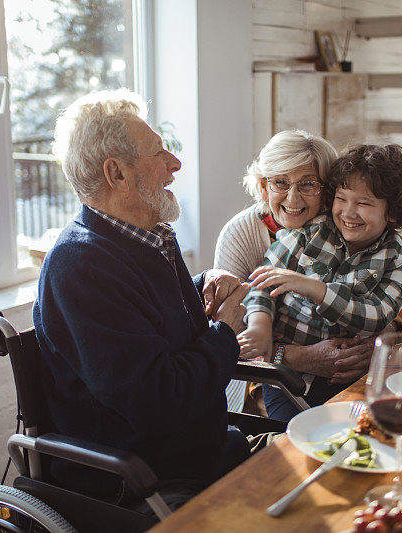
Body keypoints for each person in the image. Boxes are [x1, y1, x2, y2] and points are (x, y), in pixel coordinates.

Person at [33, 88, 262, 512]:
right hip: (146, 479)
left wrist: (202, 284)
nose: (174, 164)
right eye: (159, 153)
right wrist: (226, 331)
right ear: (116, 173)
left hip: (203, 450)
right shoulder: (80, 266)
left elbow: (144, 312)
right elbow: (160, 400)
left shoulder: (145, 238)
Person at [214, 131, 402, 416]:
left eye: (308, 184)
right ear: (264, 187)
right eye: (280, 182)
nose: (293, 197)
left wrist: (366, 346)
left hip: (349, 377)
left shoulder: (348, 230)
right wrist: (298, 357)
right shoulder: (241, 233)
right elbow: (231, 334)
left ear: (327, 190)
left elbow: (395, 319)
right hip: (264, 382)